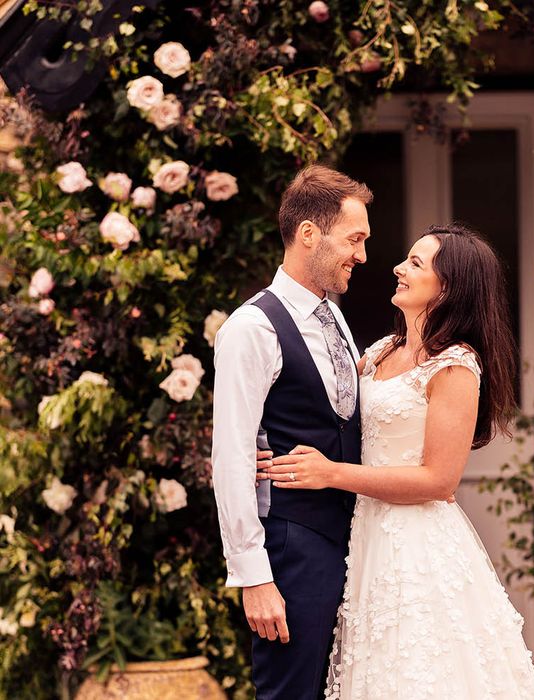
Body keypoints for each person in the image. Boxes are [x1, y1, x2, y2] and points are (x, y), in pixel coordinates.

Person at [261, 224, 534, 699]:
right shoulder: (378, 352)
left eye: (416, 263)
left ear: (448, 286)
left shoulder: (455, 365)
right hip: (365, 535)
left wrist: (330, 474)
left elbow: (438, 480)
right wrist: (263, 443)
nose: (397, 267)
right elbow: (320, 411)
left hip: (417, 545)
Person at [211, 164, 372, 699]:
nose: (363, 256)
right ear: (309, 234)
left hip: (353, 540)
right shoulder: (250, 329)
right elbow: (232, 459)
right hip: (293, 548)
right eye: (355, 239)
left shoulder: (336, 317)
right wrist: (254, 577)